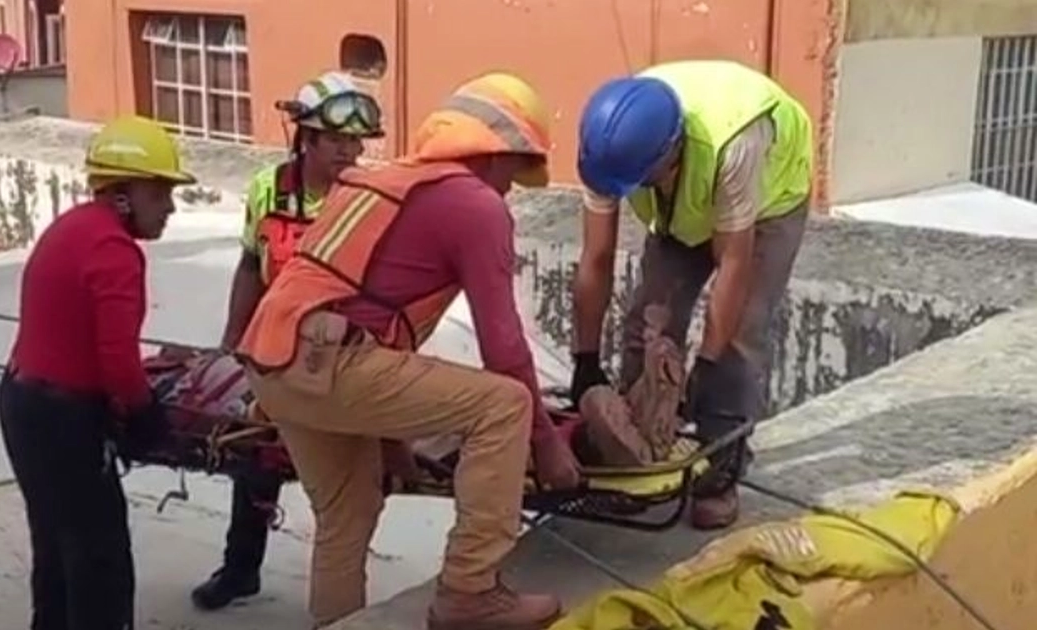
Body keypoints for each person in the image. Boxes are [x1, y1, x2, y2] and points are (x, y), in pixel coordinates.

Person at [234, 72, 581, 630]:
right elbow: (504, 347)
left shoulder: (386, 180)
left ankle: (336, 623)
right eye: (516, 170)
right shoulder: (475, 205)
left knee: (347, 514)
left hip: (273, 363)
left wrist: (393, 442)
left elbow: (366, 313)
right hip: (330, 359)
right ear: (494, 153)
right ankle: (471, 591)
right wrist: (546, 445)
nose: (512, 187)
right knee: (504, 404)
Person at [570, 60, 813, 530]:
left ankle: (721, 468)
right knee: (649, 319)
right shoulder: (608, 145)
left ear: (672, 157)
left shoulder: (735, 142)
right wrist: (584, 358)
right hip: (683, 202)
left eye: (641, 181)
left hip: (766, 204)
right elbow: (595, 257)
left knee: (739, 335)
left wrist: (706, 363)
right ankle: (636, 454)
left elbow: (735, 265)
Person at [192, 71, 385, 611]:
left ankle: (342, 587)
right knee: (255, 457)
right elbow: (251, 265)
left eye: (356, 142)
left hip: (342, 354)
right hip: (275, 349)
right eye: (338, 140)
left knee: (348, 483)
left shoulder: (370, 198)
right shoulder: (267, 191)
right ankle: (239, 569)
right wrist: (233, 339)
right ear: (307, 138)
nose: (350, 151)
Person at [0, 115, 195, 630]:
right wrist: (144, 414)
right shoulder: (114, 251)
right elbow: (118, 360)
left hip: (23, 403)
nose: (170, 208)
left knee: (55, 540)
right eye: (160, 194)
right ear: (124, 194)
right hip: (64, 418)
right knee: (99, 555)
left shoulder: (73, 226)